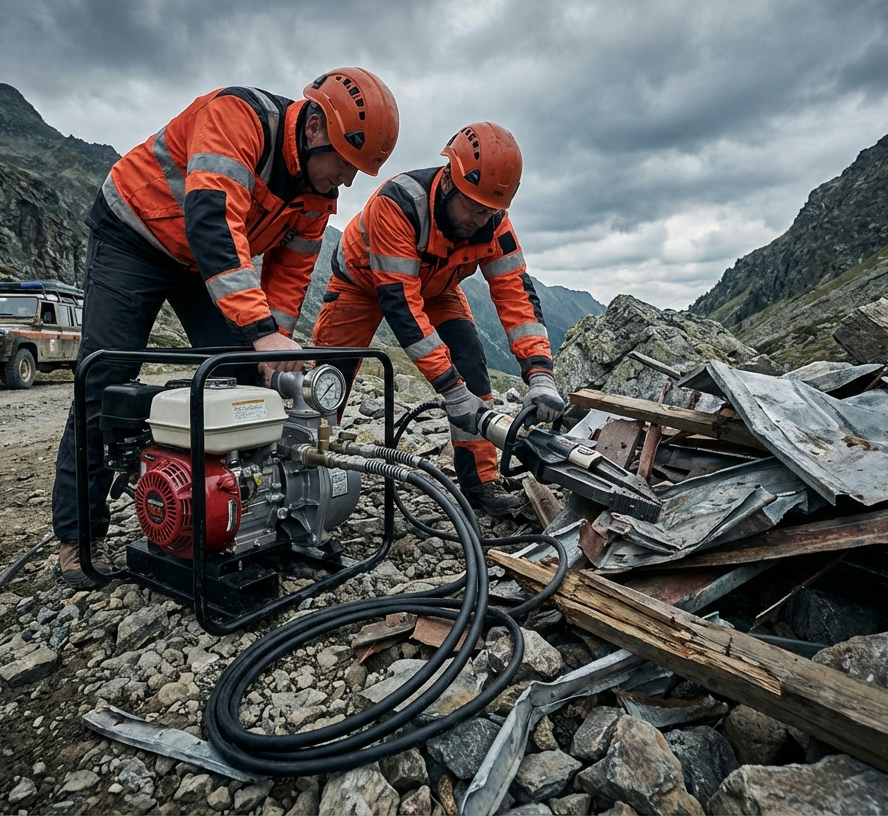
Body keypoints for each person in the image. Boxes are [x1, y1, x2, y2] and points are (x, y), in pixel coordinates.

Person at [54, 68, 400, 588]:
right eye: (346, 164)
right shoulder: (237, 117)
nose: (349, 180)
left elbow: (290, 273)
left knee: (242, 379)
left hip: (198, 262)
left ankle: (235, 513)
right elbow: (212, 220)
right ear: (313, 131)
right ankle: (79, 539)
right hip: (133, 233)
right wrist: (259, 329)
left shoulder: (317, 191)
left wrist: (272, 347)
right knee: (102, 382)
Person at [312, 122, 564, 516]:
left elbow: (515, 293)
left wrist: (541, 374)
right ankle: (308, 477)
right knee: (328, 380)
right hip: (360, 284)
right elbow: (403, 308)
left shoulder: (493, 220)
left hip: (438, 286)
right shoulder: (399, 204)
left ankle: (479, 485)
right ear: (449, 181)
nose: (480, 220)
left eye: (490, 211)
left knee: (471, 364)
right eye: (474, 207)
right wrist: (450, 390)